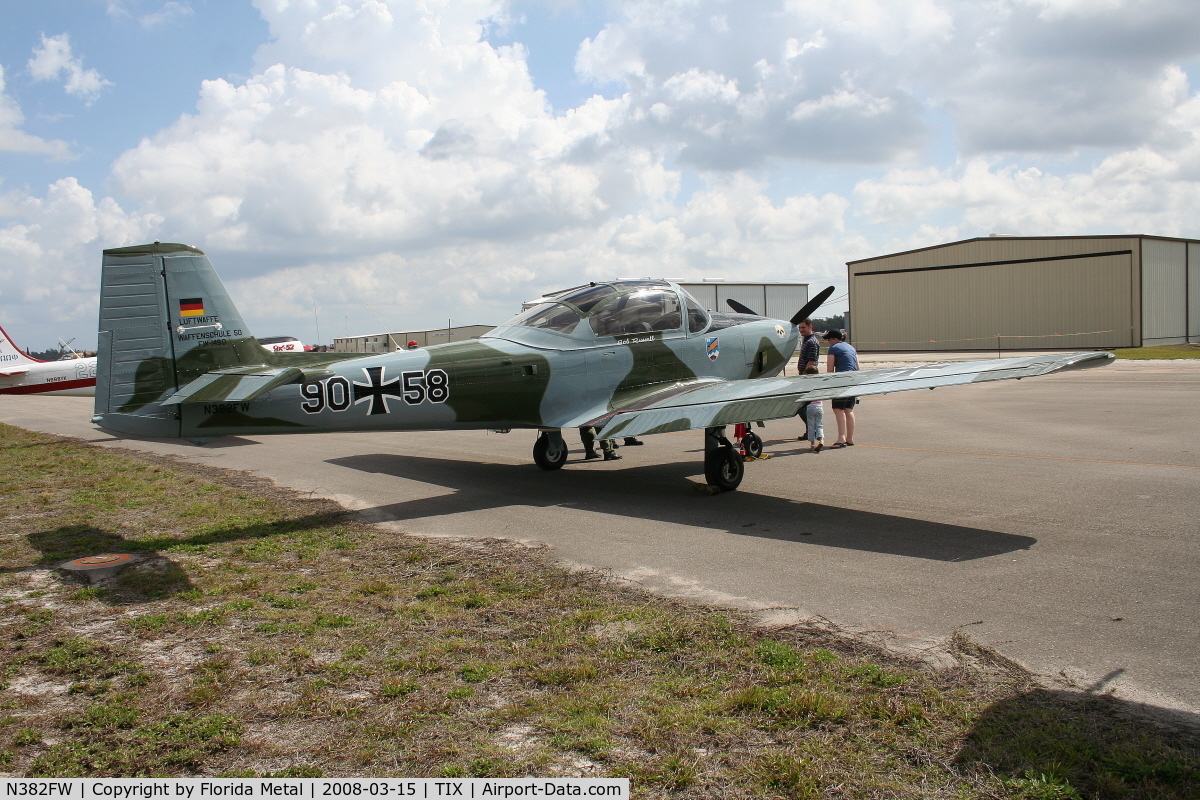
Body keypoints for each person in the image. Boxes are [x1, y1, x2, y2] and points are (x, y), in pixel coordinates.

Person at [823, 329, 858, 448]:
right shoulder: (851, 348)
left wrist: (829, 384)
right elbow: (857, 366)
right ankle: (850, 438)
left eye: (829, 339)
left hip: (842, 379)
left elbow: (830, 369)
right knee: (849, 410)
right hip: (854, 379)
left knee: (838, 409)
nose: (828, 342)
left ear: (835, 339)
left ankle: (841, 438)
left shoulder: (834, 348)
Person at [795, 318, 820, 440]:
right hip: (803, 375)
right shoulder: (806, 340)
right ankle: (810, 429)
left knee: (803, 406)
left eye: (803, 328)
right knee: (803, 406)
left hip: (807, 376)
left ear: (810, 326)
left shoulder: (812, 342)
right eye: (800, 328)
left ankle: (812, 430)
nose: (801, 330)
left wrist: (805, 377)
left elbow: (812, 361)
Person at [803, 366, 824, 452]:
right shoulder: (819, 383)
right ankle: (821, 440)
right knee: (819, 425)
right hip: (819, 406)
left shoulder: (807, 384)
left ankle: (812, 444)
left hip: (810, 407)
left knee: (811, 426)